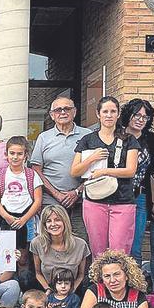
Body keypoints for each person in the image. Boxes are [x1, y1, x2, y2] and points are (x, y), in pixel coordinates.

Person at [71, 96, 141, 256]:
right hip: (94, 201)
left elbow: (131, 170)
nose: (109, 115)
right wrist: (92, 159)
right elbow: (75, 171)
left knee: (119, 251)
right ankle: (100, 282)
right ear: (98, 114)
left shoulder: (129, 139)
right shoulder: (88, 140)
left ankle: (118, 281)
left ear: (118, 114)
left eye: (113, 111)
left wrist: (104, 171)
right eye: (105, 111)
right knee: (98, 251)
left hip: (122, 201)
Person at [30, 96, 90, 238]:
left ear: (74, 112)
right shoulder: (44, 137)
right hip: (51, 201)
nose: (63, 112)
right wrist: (57, 194)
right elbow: (36, 170)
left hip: (81, 200)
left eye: (67, 109)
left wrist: (76, 192)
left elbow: (94, 170)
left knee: (80, 242)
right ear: (52, 115)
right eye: (58, 110)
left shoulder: (87, 135)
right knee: (52, 241)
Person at [119, 98, 154, 291]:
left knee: (135, 246)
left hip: (140, 197)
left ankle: (134, 291)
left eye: (145, 116)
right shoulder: (117, 136)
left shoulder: (150, 139)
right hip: (116, 197)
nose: (141, 119)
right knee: (119, 246)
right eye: (137, 115)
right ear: (128, 115)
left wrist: (153, 200)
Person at [0, 135, 43, 249]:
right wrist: (6, 216)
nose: (15, 157)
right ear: (6, 154)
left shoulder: (32, 175)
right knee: (5, 251)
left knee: (24, 253)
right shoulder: (0, 175)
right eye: (12, 153)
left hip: (27, 218)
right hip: (5, 218)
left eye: (19, 154)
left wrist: (24, 219)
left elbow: (38, 200)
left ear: (25, 155)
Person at [27, 204, 89, 294]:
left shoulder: (81, 244)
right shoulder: (37, 243)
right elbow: (38, 273)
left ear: (65, 222)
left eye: (57, 220)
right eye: (48, 221)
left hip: (72, 288)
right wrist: (48, 289)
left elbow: (81, 275)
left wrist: (71, 291)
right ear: (44, 225)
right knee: (26, 277)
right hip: (47, 287)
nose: (53, 224)